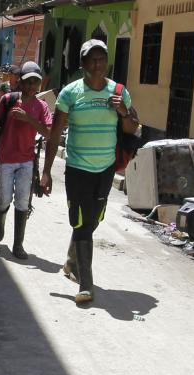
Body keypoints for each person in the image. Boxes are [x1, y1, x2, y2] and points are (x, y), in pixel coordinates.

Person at [43, 39, 140, 303]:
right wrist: (46, 171)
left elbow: (132, 127)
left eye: (102, 59)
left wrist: (122, 111)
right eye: (92, 59)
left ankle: (72, 261)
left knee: (92, 220)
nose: (98, 64)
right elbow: (54, 134)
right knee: (82, 223)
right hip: (77, 168)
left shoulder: (119, 91)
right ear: (83, 63)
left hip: (105, 168)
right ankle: (86, 284)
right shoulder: (70, 93)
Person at [0, 61, 52, 260]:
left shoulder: (42, 106)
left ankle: (18, 244)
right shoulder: (8, 99)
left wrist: (29, 119)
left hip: (26, 161)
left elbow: (48, 132)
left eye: (35, 82)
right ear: (21, 82)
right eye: (28, 82)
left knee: (22, 201)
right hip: (6, 158)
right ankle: (0, 221)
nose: (32, 86)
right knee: (4, 198)